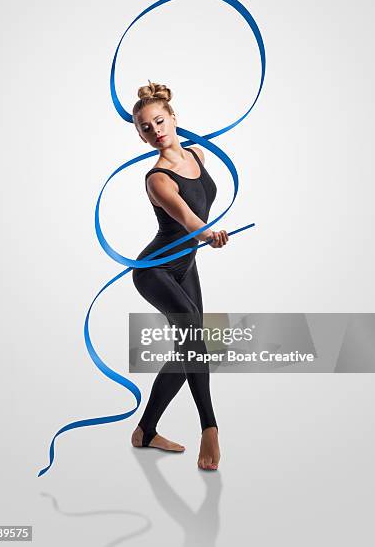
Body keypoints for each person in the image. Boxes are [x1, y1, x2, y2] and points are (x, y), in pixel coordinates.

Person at [130, 81, 229, 471]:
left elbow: (201, 203)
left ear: (173, 118)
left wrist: (206, 234)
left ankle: (145, 432)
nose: (155, 131)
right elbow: (190, 221)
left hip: (186, 265)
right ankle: (210, 428)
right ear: (139, 135)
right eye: (145, 128)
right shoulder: (157, 178)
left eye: (159, 121)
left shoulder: (198, 154)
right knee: (195, 338)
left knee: (188, 347)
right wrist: (209, 233)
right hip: (155, 270)